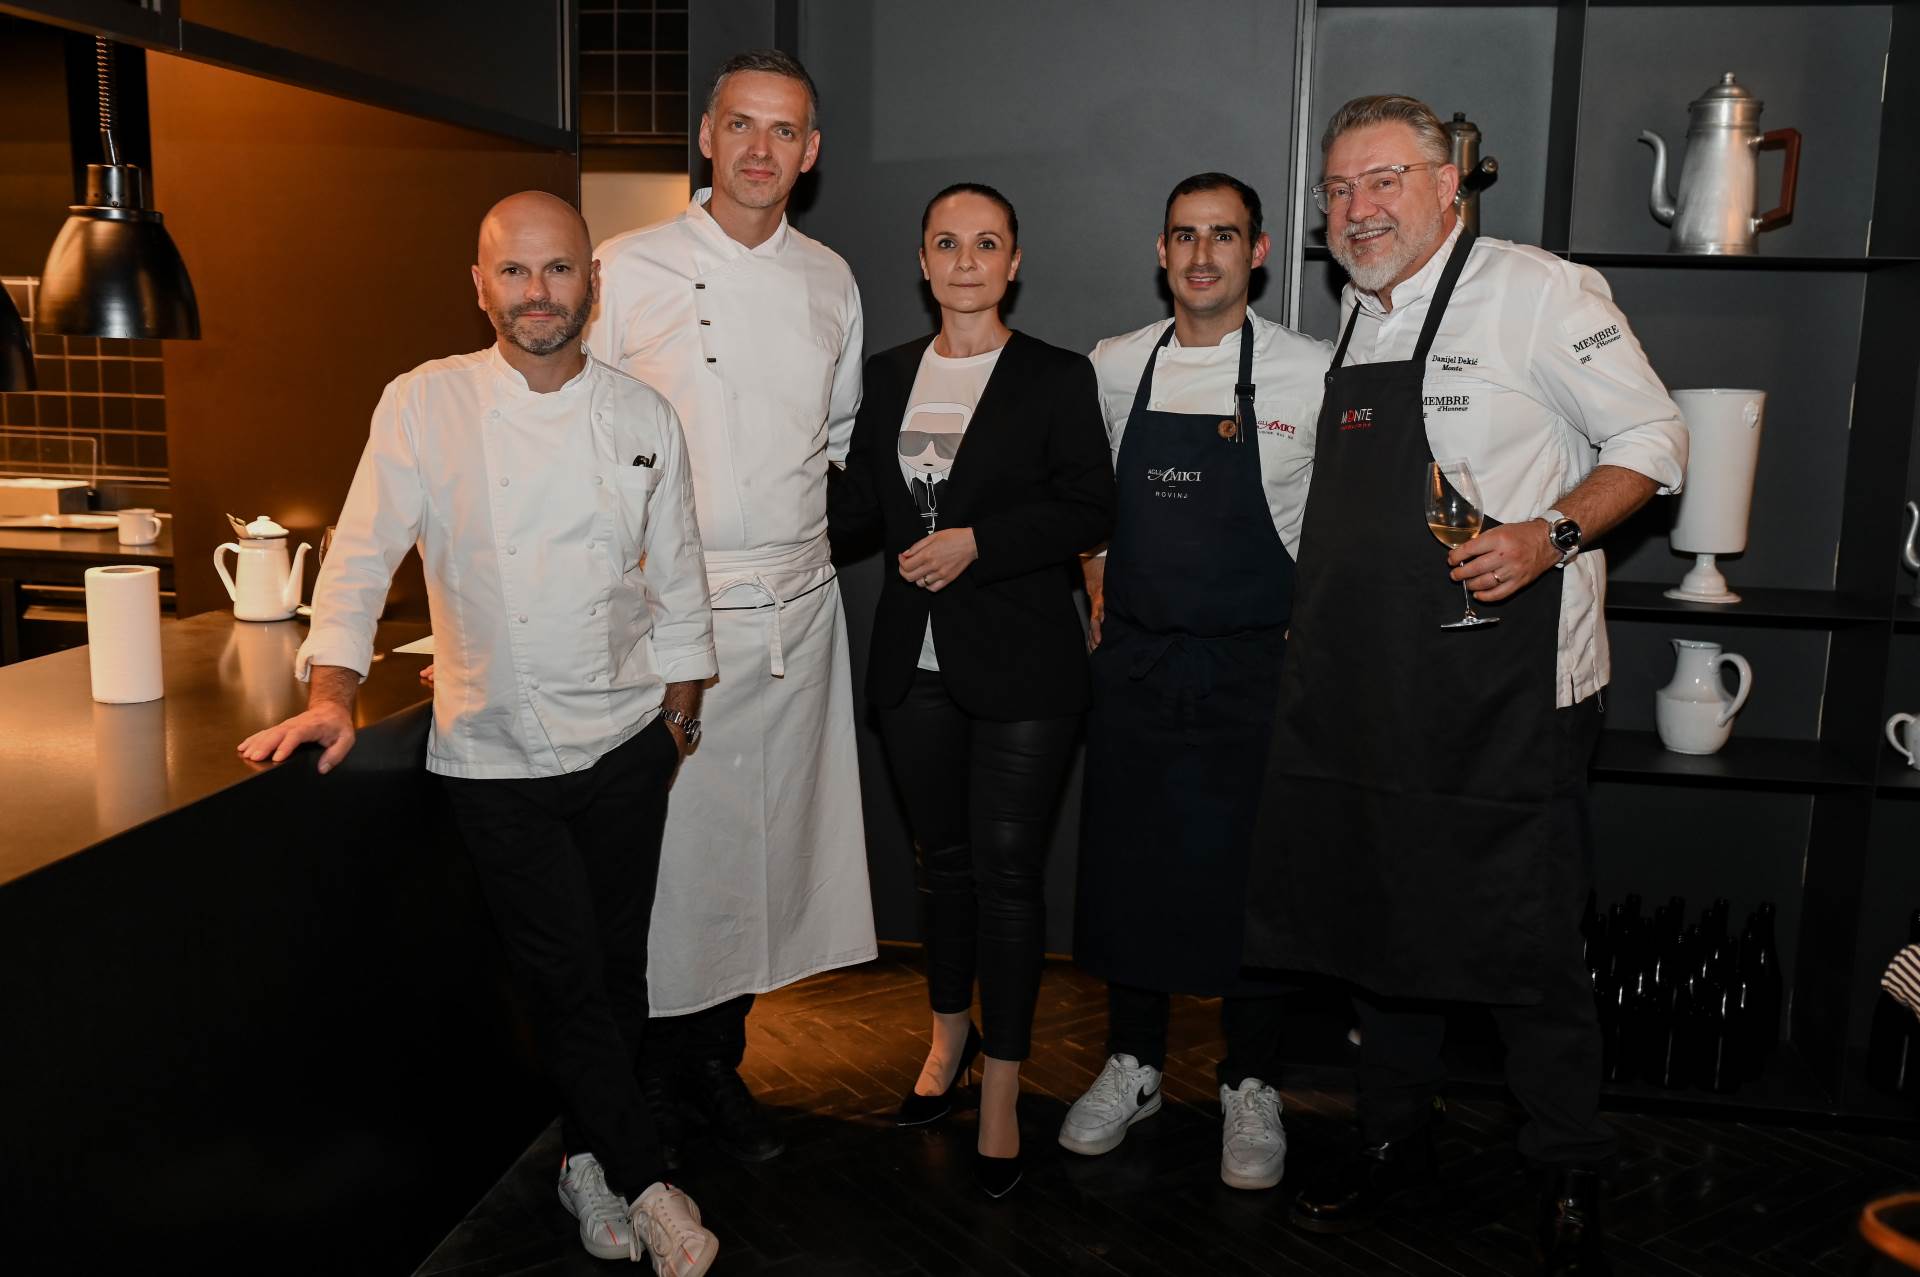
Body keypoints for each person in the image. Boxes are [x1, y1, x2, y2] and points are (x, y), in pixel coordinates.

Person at [238, 192, 722, 1275]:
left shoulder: (643, 414)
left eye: (557, 271)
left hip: (627, 740)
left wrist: (678, 723)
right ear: (479, 284)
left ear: (589, 284)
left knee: (618, 968)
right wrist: (332, 692)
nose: (537, 293)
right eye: (515, 272)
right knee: (562, 973)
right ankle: (648, 1180)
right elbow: (361, 557)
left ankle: (585, 1164)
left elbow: (683, 579)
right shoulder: (424, 404)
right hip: (495, 751)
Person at [1243, 96, 1687, 1275]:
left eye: (1385, 180)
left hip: (1510, 687)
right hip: (1371, 683)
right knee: (1382, 923)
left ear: (1451, 186)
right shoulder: (1352, 312)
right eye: (1339, 190)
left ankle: (1569, 1164)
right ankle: (1395, 1141)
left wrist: (1552, 533)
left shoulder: (1538, 289)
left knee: (1527, 933)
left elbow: (1655, 440)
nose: (1359, 208)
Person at [585, 49, 877, 1168]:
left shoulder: (830, 279)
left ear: (810, 153)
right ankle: (651, 1079)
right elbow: (584, 442)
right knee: (671, 860)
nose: (762, 149)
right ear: (706, 137)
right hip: (673, 615)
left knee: (763, 857)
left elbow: (836, 438)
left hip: (795, 613)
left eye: (787, 131)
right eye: (742, 125)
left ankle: (715, 1066)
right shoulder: (629, 265)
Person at [828, 183, 1115, 1198]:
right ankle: (946, 1043)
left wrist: (980, 542)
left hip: (1027, 662)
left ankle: (1002, 1085)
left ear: (1014, 262)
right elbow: (858, 510)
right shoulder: (888, 374)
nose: (965, 260)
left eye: (985, 243)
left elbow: (1090, 502)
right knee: (939, 864)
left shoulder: (1054, 375)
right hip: (914, 664)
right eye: (947, 242)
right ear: (922, 258)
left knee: (1006, 869)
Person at [1059, 173, 1331, 1192]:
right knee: (1132, 868)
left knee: (1251, 881)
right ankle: (1131, 1064)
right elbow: (1088, 501)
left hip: (1258, 662)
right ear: (1161, 252)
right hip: (1136, 657)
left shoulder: (1308, 370)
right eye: (1185, 236)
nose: (1204, 255)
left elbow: (1332, 528)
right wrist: (1094, 584)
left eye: (1225, 236)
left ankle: (1248, 1081)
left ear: (1258, 252)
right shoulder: (1115, 365)